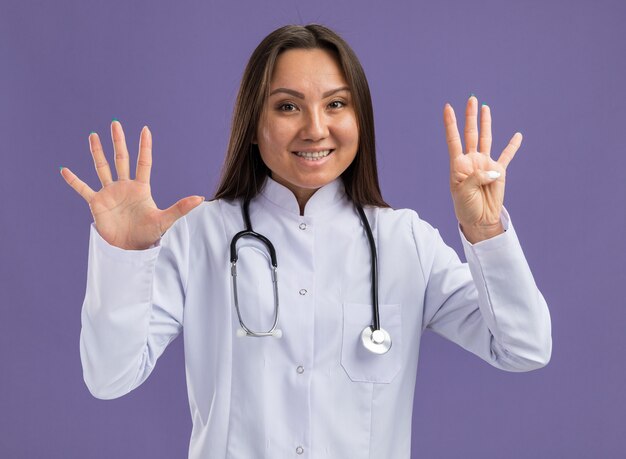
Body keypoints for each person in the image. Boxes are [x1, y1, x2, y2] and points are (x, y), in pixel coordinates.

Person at [60, 24, 551, 459]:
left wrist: (486, 233)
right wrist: (124, 255)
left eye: (336, 103)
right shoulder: (202, 236)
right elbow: (109, 378)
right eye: (288, 106)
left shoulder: (405, 241)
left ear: (360, 121)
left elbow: (523, 348)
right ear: (254, 125)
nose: (316, 128)